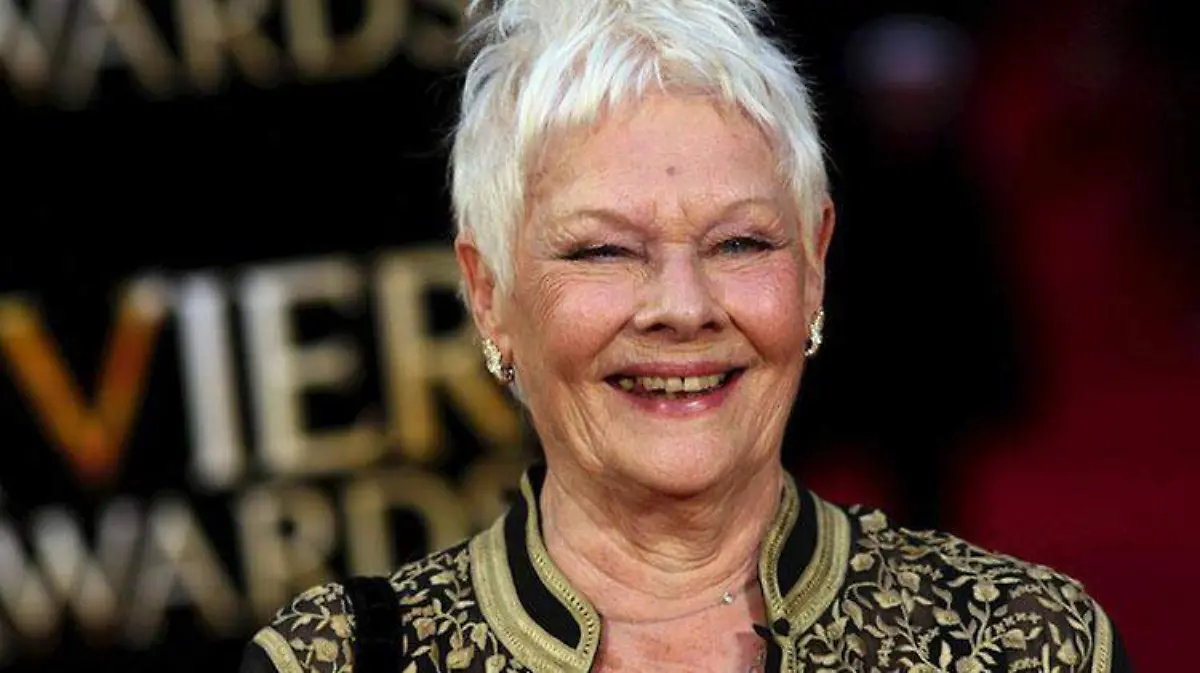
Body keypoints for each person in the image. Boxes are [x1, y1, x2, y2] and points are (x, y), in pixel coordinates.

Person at [241, 1, 1133, 671]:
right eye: (603, 250)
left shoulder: (1022, 642)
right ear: (489, 295)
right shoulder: (340, 658)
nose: (683, 305)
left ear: (814, 267)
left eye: (739, 243)